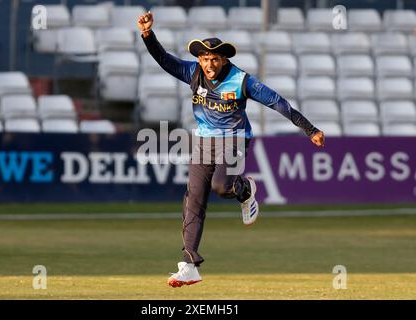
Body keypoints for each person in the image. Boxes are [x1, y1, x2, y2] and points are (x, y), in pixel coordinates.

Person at [137, 11, 325, 288]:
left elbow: (277, 102)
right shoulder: (192, 72)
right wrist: (147, 34)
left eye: (214, 58)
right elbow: (164, 60)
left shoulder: (242, 80)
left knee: (222, 187)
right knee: (194, 199)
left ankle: (245, 189)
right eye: (204, 58)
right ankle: (189, 265)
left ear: (224, 59)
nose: (209, 64)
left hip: (235, 140)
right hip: (203, 141)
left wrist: (309, 129)